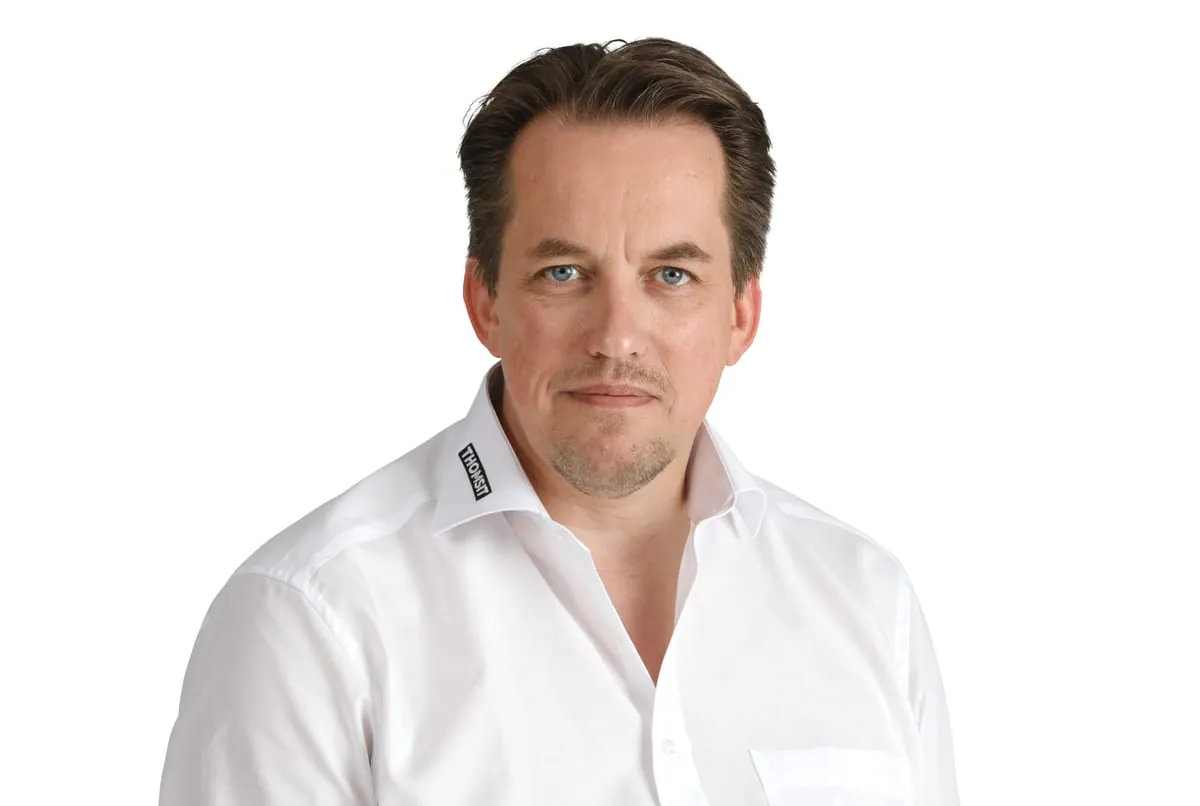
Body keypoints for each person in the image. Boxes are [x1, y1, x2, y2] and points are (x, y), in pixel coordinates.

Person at [159, 37, 960, 806]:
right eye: (564, 272)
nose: (616, 336)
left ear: (741, 316)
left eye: (671, 275)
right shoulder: (313, 620)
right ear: (485, 302)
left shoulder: (867, 602)